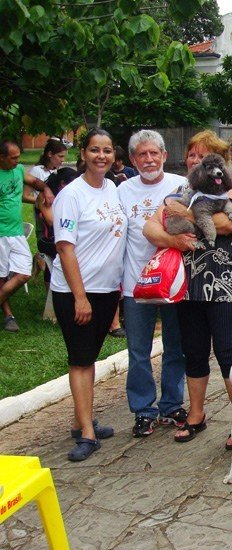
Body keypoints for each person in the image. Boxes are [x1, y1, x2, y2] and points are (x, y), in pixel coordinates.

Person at [143, 130, 232, 446]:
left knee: (229, 353)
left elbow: (229, 224)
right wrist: (173, 239)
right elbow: (150, 226)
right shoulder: (180, 188)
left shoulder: (229, 189)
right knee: (194, 351)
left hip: (223, 284)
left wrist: (185, 215)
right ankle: (196, 415)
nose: (196, 161)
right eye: (192, 156)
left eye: (204, 156)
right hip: (187, 286)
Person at [50, 129, 126, 461]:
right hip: (75, 291)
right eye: (94, 150)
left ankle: (80, 420)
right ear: (83, 154)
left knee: (89, 358)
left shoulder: (112, 188)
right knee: (80, 360)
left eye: (107, 151)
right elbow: (65, 248)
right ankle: (87, 434)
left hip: (107, 290)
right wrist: (79, 297)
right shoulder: (71, 195)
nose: (101, 156)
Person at [119, 130, 188, 437]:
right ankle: (143, 409)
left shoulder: (179, 185)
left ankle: (172, 404)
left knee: (176, 346)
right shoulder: (123, 190)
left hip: (173, 283)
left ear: (163, 155)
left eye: (153, 153)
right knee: (138, 350)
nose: (148, 159)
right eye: (141, 154)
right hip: (135, 283)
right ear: (133, 159)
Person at [0, 140, 54, 332]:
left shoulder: (19, 170)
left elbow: (35, 182)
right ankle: (8, 316)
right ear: (2, 158)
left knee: (24, 273)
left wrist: (46, 189)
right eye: (13, 158)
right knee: (2, 276)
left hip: (16, 232)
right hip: (0, 234)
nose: (17, 160)